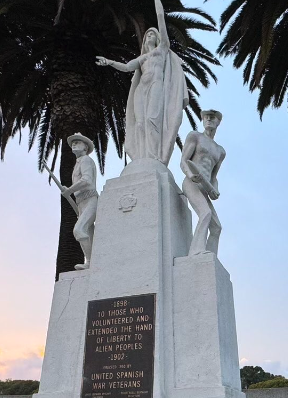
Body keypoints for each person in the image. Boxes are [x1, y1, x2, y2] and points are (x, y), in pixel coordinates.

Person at [95, 0, 187, 166]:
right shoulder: (142, 58)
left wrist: (157, 3)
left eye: (152, 34)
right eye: (147, 35)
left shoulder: (162, 50)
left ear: (158, 38)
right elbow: (126, 67)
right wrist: (109, 62)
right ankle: (141, 157)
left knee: (152, 119)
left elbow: (161, 20)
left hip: (156, 85)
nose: (149, 36)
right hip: (142, 89)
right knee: (140, 123)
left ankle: (155, 157)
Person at [180, 110, 225, 255]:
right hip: (191, 183)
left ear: (218, 122)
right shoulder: (195, 136)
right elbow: (183, 161)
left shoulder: (220, 151)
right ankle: (196, 251)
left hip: (206, 188)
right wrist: (191, 175)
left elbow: (213, 177)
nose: (209, 119)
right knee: (205, 213)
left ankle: (210, 257)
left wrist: (215, 189)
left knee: (216, 227)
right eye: (206, 117)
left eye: (212, 117)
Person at [62, 133, 98, 270]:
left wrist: (69, 190)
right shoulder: (78, 163)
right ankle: (91, 261)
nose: (74, 144)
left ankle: (89, 262)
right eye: (72, 143)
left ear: (85, 147)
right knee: (89, 234)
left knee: (79, 229)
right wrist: (70, 190)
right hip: (81, 202)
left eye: (77, 142)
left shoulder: (86, 160)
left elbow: (87, 180)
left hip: (90, 200)